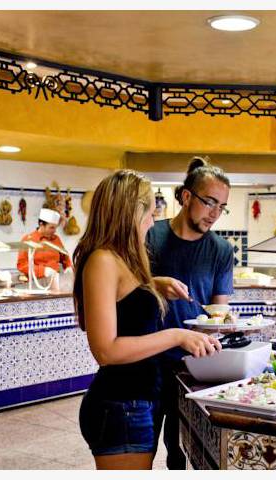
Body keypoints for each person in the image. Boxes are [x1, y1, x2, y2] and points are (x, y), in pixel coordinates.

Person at [74, 169, 221, 470]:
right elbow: (106, 350)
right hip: (119, 405)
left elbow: (122, 301)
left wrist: (153, 285)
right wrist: (177, 335)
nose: (153, 222)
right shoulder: (102, 260)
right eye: (150, 213)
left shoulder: (119, 259)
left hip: (134, 402)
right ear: (130, 212)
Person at [146, 157, 234, 470]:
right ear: (186, 196)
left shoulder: (221, 250)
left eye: (222, 207)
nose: (215, 213)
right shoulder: (150, 236)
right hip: (146, 362)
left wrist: (225, 324)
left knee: (181, 448)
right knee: (142, 447)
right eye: (209, 202)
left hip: (192, 367)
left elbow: (219, 312)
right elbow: (122, 289)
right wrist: (153, 284)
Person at [16, 208, 72, 289]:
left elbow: (65, 257)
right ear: (41, 224)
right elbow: (22, 265)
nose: (54, 231)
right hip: (36, 284)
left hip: (55, 282)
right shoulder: (28, 239)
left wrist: (68, 267)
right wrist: (43, 271)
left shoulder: (56, 239)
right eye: (51, 227)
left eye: (55, 228)